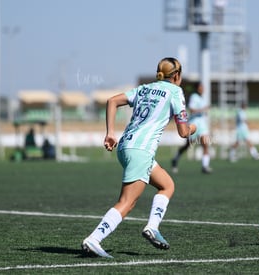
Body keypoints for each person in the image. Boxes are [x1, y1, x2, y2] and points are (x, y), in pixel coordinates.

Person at [82, 57, 196, 258]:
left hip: (126, 146)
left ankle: (152, 227)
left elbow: (112, 101)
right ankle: (94, 238)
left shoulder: (145, 88)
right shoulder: (176, 92)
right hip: (140, 151)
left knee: (167, 185)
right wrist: (194, 127)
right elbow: (183, 132)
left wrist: (110, 132)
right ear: (177, 75)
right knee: (127, 202)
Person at [171, 82, 212, 174]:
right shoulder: (194, 97)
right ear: (198, 88)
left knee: (205, 143)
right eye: (201, 87)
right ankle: (175, 158)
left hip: (202, 125)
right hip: (194, 124)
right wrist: (204, 109)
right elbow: (192, 110)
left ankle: (205, 166)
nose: (203, 89)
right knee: (188, 145)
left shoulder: (203, 98)